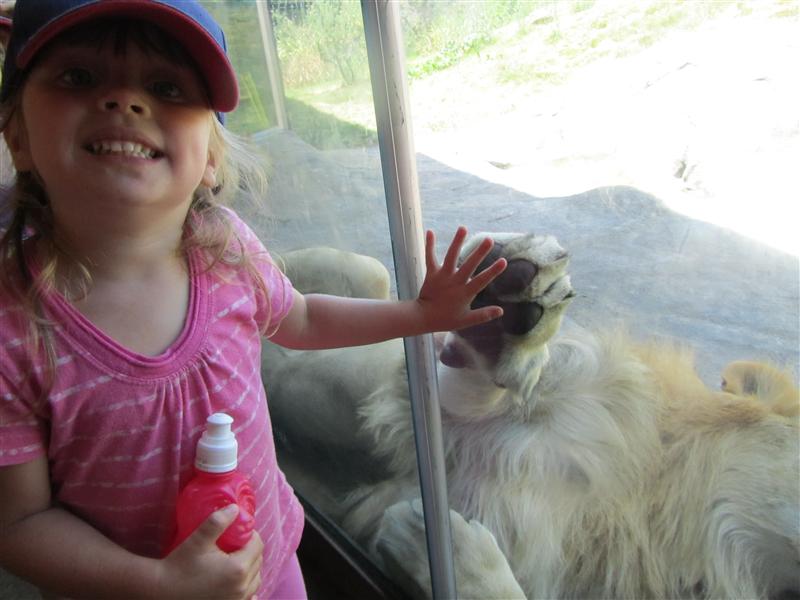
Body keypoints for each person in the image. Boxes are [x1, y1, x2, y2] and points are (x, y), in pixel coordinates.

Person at [0, 1, 507, 598]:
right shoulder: (12, 330)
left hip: (272, 566)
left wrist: (419, 315)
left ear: (211, 159)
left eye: (166, 87)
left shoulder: (224, 246)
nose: (125, 101)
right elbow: (19, 524)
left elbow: (303, 318)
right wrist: (157, 583)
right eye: (79, 77)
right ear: (18, 137)